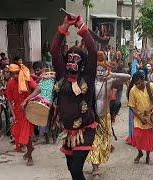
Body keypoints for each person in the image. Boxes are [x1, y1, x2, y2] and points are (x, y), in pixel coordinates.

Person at [51, 15, 98, 180]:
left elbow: (93, 51)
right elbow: (54, 50)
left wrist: (81, 27)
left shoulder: (88, 77)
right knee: (72, 170)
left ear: (82, 63)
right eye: (69, 58)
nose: (72, 62)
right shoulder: (62, 75)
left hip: (85, 131)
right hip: (67, 131)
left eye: (76, 59)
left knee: (77, 169)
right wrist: (64, 26)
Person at [86, 51, 131, 179]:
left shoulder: (110, 80)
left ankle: (96, 165)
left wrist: (111, 74)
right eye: (98, 69)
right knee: (93, 141)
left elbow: (127, 77)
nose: (100, 72)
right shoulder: (90, 81)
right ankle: (95, 168)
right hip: (92, 117)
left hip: (105, 116)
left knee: (102, 142)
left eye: (102, 69)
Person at [128, 71, 153, 165]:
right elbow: (132, 106)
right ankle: (140, 153)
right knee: (137, 137)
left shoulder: (150, 85)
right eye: (136, 84)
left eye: (139, 83)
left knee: (150, 138)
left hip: (151, 118)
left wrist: (149, 109)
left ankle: (148, 157)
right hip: (138, 117)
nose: (138, 85)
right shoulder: (133, 90)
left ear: (143, 79)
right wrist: (140, 118)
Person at [6, 63, 37, 166]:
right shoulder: (10, 83)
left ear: (19, 72)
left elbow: (38, 89)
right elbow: (9, 100)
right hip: (18, 112)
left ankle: (30, 156)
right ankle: (29, 150)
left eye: (16, 73)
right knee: (18, 135)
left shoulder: (26, 78)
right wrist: (13, 113)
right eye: (12, 74)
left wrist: (26, 100)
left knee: (26, 134)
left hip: (28, 109)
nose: (15, 76)